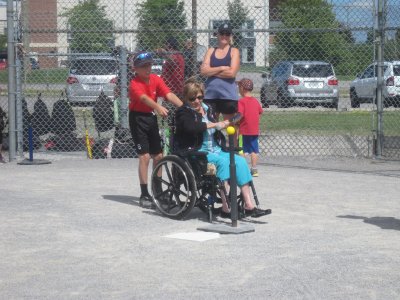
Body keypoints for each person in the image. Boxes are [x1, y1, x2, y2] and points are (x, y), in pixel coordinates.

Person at [174, 80, 271, 218]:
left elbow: (220, 124)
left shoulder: (208, 109)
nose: (197, 101)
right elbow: (191, 127)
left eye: (200, 97)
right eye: (192, 98)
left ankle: (250, 206)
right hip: (198, 152)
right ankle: (226, 208)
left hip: (216, 149)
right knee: (224, 163)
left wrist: (225, 123)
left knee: (240, 162)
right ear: (186, 98)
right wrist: (213, 125)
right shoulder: (183, 112)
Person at [129, 51, 183, 207]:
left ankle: (158, 192)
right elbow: (144, 99)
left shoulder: (155, 79)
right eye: (143, 66)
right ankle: (144, 194)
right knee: (144, 157)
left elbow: (168, 94)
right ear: (136, 69)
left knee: (158, 156)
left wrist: (184, 107)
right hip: (137, 119)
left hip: (150, 117)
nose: (147, 68)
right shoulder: (134, 84)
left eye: (149, 65)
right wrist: (157, 106)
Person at [200, 23, 240, 122]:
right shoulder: (211, 50)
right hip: (210, 95)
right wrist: (222, 67)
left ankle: (232, 139)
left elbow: (232, 73)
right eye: (222, 33)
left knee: (231, 126)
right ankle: (215, 138)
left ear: (230, 36)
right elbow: (203, 71)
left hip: (228, 96)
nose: (224, 36)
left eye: (227, 34)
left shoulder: (234, 51)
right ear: (217, 34)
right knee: (211, 125)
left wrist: (211, 71)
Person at [236, 78, 263, 177]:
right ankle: (254, 169)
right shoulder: (255, 101)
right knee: (254, 150)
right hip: (254, 131)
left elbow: (240, 114)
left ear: (242, 88)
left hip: (243, 131)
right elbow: (260, 111)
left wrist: (234, 121)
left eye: (239, 87)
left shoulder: (241, 101)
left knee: (241, 150)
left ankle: (244, 170)